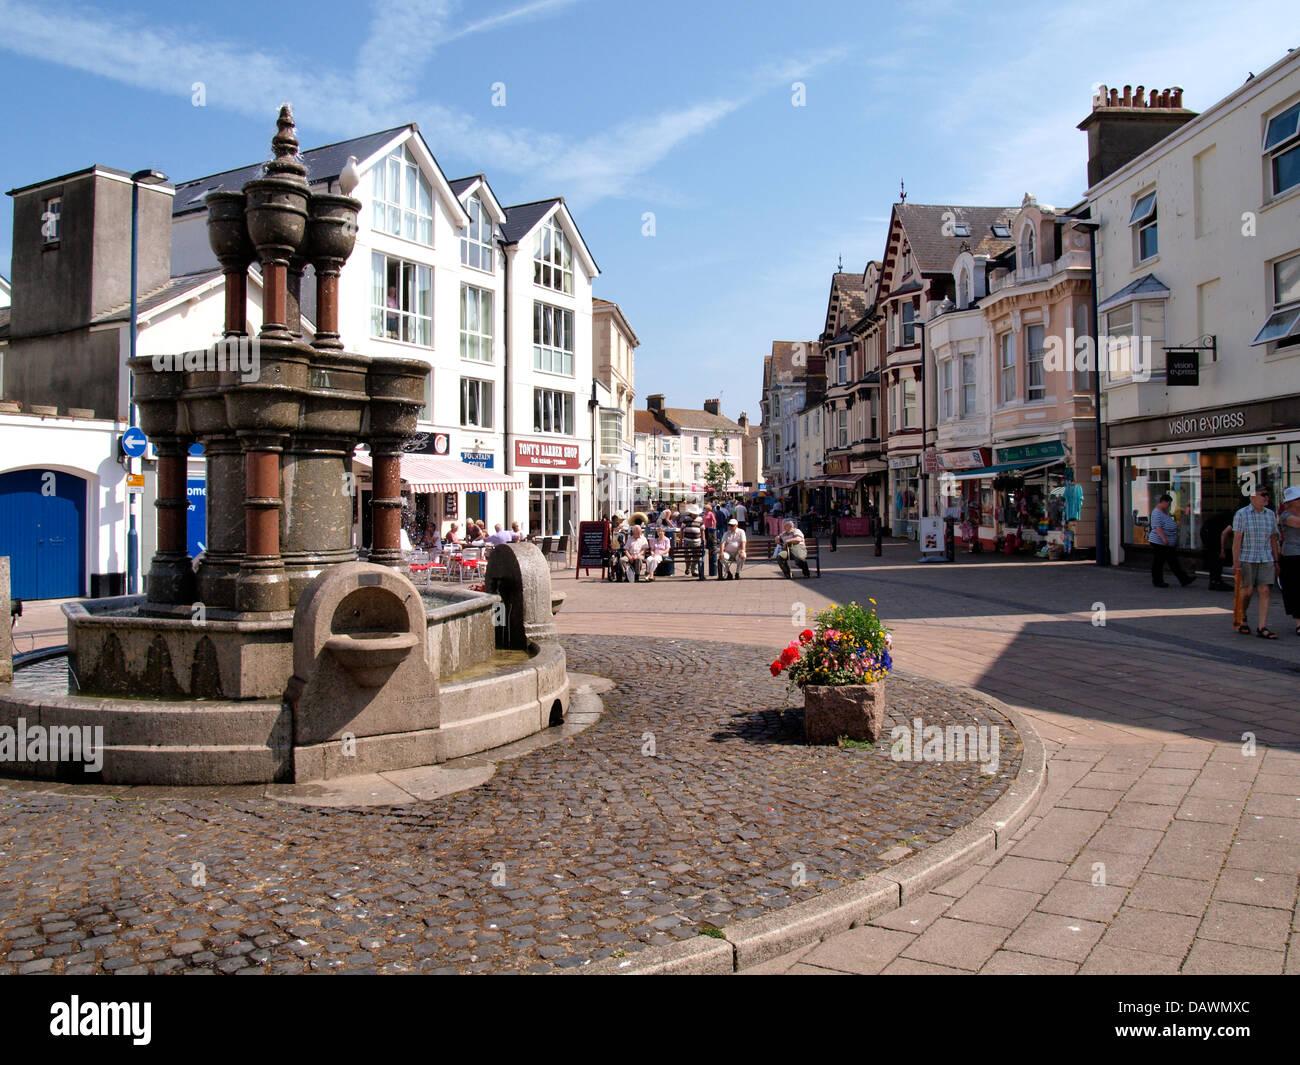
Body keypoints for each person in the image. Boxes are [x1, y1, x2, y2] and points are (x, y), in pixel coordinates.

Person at [1232, 485, 1280, 638]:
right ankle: (1243, 616)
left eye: (1267, 495)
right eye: (1262, 494)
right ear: (1252, 497)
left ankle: (1262, 626)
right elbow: (1237, 539)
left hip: (1265, 557)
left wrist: (1276, 559)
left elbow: (1273, 538)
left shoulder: (1270, 514)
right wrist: (1235, 562)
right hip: (1247, 557)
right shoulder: (1242, 514)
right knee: (1247, 591)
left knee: (1264, 590)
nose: (1266, 497)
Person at [1149, 493, 1194, 587]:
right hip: (1159, 542)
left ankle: (1184, 579)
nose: (1169, 506)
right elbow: (1158, 527)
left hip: (1167, 543)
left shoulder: (1164, 512)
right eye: (1168, 504)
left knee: (1173, 561)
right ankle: (1158, 581)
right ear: (1164, 502)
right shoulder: (1157, 512)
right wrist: (1164, 539)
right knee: (1159, 562)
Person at [1278, 486, 1300, 636]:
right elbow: (1298, 523)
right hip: (1292, 556)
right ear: (1291, 502)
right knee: (1296, 589)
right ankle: (1299, 623)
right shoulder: (1285, 516)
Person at [1200, 509, 1236, 591]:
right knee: (1217, 556)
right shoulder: (1237, 518)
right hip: (1211, 533)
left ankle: (1214, 581)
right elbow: (1224, 533)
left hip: (1207, 530)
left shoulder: (1231, 515)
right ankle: (1217, 582)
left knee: (1213, 556)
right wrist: (1222, 550)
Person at [679, 506, 704, 579]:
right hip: (687, 539)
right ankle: (688, 568)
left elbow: (702, 530)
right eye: (694, 513)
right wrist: (681, 539)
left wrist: (703, 540)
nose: (696, 515)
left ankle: (694, 570)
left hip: (697, 540)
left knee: (696, 556)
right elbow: (682, 529)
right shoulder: (686, 519)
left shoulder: (700, 519)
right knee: (687, 555)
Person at [701, 503, 718, 578]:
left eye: (706, 508)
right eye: (705, 508)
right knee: (706, 538)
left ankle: (709, 546)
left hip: (710, 528)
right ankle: (707, 545)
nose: (705, 509)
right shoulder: (704, 514)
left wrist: (714, 528)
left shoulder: (711, 513)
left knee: (710, 539)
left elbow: (714, 521)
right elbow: (703, 520)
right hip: (705, 528)